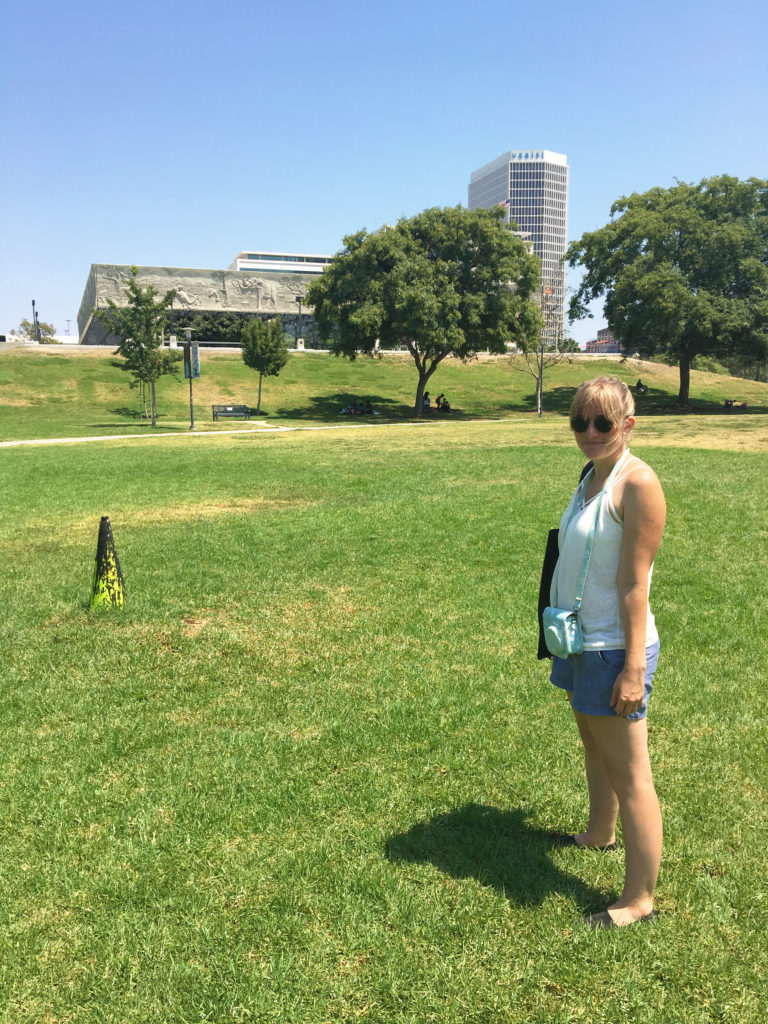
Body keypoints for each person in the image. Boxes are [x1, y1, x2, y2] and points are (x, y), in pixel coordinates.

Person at [549, 376, 666, 929]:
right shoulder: (590, 476)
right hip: (577, 640)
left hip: (614, 648)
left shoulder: (637, 483)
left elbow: (633, 583)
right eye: (580, 422)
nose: (590, 433)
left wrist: (632, 668)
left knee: (631, 773)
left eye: (602, 422)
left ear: (627, 424)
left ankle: (639, 899)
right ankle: (600, 831)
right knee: (592, 741)